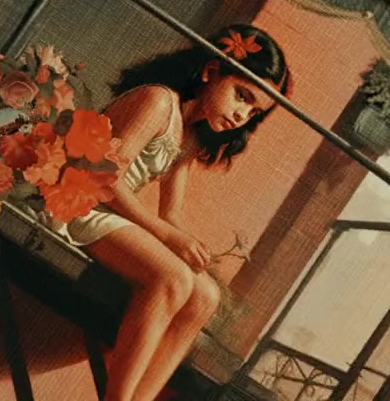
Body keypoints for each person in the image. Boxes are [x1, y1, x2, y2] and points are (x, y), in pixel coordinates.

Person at [53, 24, 292, 401]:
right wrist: (168, 238)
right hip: (77, 200)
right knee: (173, 277)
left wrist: (193, 248)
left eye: (253, 111)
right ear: (211, 71)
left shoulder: (190, 135)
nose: (241, 114)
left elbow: (172, 215)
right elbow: (104, 178)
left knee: (206, 296)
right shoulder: (158, 101)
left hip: (108, 213)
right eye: (241, 95)